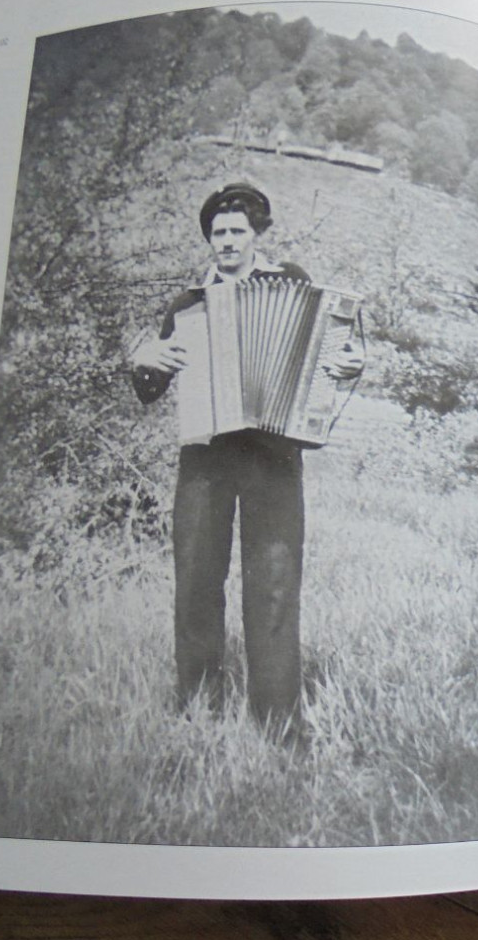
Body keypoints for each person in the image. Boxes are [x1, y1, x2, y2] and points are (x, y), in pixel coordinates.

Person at [131, 182, 362, 732]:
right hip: (205, 462)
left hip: (273, 457)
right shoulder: (186, 305)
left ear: (256, 235)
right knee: (195, 582)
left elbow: (333, 357)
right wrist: (145, 357)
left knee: (275, 585)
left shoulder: (292, 283)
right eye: (218, 233)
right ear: (209, 240)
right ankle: (196, 711)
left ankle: (279, 722)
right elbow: (149, 388)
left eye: (237, 231)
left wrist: (348, 363)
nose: (227, 241)